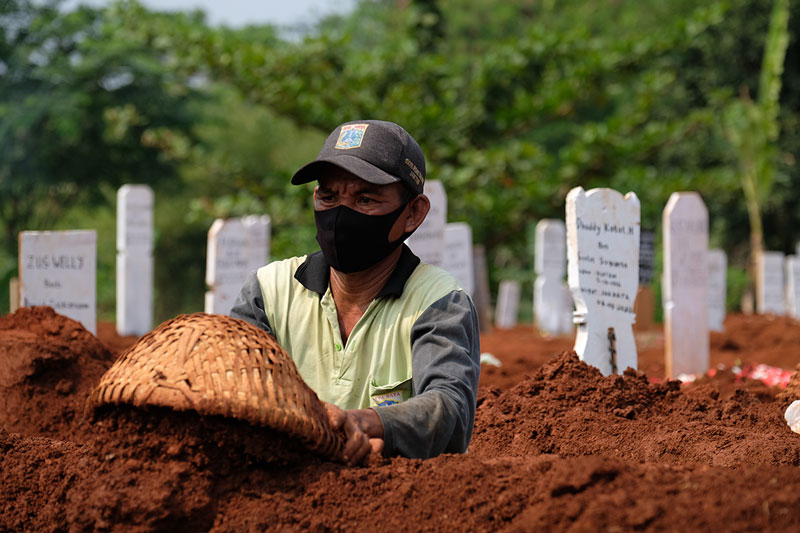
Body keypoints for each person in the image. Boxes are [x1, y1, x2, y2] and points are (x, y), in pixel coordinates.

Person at [230, 119, 480, 465]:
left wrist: (363, 423)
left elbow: (449, 408)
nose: (340, 215)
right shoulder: (269, 292)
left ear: (413, 214)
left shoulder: (437, 301)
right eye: (329, 197)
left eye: (365, 199)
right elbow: (231, 393)